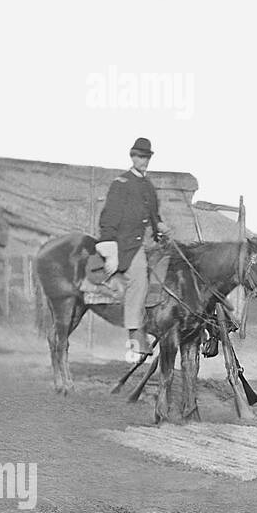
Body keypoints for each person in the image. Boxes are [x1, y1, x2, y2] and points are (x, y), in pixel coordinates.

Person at [96, 137, 169, 357]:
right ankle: (135, 337)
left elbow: (154, 215)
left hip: (144, 242)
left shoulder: (147, 185)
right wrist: (111, 252)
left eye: (146, 157)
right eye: (139, 157)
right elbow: (108, 217)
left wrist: (161, 228)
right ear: (132, 157)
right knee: (139, 281)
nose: (143, 161)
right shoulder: (121, 184)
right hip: (123, 245)